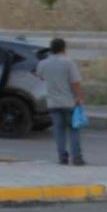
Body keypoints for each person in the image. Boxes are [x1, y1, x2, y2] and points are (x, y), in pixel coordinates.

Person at [36, 37, 86, 166]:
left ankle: (62, 157)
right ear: (64, 48)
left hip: (52, 103)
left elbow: (40, 76)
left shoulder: (43, 64)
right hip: (69, 102)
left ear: (51, 49)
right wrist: (79, 97)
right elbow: (75, 83)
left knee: (59, 132)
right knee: (74, 130)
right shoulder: (69, 63)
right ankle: (76, 158)